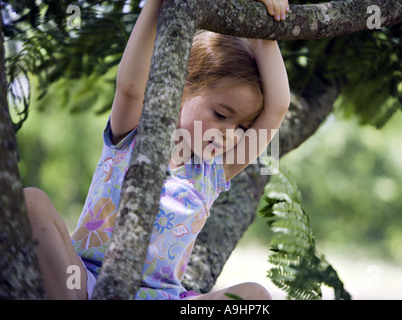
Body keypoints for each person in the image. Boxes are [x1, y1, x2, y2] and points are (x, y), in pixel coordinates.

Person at [24, 0, 290, 300]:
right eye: (221, 115)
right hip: (83, 282)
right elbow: (130, 86)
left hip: (163, 298)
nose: (231, 134)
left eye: (243, 126)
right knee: (31, 200)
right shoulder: (133, 135)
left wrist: (263, 28)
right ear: (180, 88)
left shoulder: (215, 171)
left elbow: (278, 106)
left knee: (254, 297)